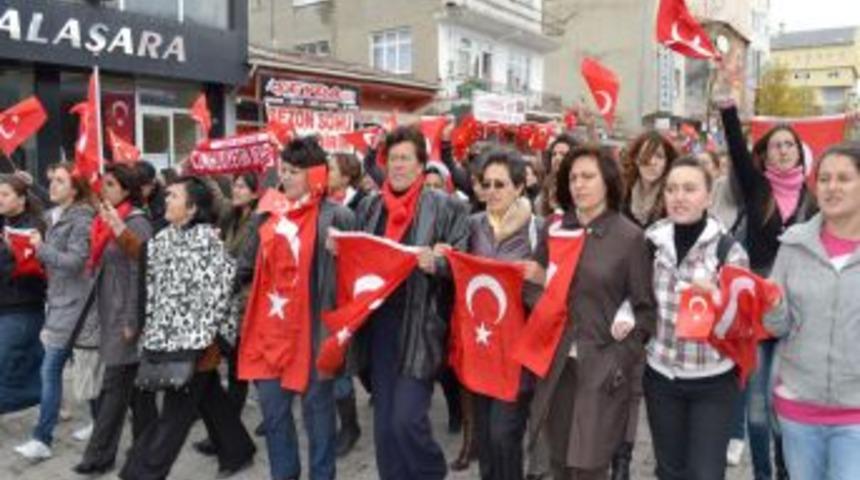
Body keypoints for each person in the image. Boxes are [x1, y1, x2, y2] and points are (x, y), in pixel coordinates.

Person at [525, 146, 656, 480]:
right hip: (557, 366)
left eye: (588, 176)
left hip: (601, 368)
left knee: (590, 466)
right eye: (572, 178)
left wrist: (618, 358)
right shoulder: (555, 231)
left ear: (608, 181)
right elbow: (532, 284)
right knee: (557, 461)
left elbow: (645, 312)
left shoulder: (630, 238)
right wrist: (545, 300)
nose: (579, 185)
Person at [116, 175, 256, 479]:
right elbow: (146, 262)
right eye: (167, 196)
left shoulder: (208, 243)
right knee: (210, 400)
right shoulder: (166, 237)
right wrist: (117, 228)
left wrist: (200, 337)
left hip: (197, 345)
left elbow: (221, 293)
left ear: (192, 209)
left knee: (173, 417)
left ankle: (142, 473)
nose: (166, 200)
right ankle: (239, 450)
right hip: (167, 340)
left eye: (174, 197)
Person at [349, 126, 470, 480]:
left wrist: (440, 262)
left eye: (405, 159)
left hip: (422, 326)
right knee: (385, 426)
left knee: (407, 420)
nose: (397, 166)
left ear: (421, 165)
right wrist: (341, 249)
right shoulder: (370, 206)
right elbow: (359, 257)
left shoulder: (446, 207)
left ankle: (431, 472)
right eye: (392, 159)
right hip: (379, 326)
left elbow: (462, 260)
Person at [717, 68, 816, 480]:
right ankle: (763, 474)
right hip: (758, 311)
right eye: (774, 146)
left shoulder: (815, 198)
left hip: (798, 313)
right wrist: (727, 105)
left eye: (788, 145)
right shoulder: (757, 188)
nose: (781, 151)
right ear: (766, 154)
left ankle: (786, 471)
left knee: (785, 406)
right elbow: (737, 149)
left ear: (799, 151)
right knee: (756, 408)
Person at [237, 136, 355, 480]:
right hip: (267, 335)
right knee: (274, 420)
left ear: (315, 175)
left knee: (319, 424)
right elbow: (244, 264)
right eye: (282, 169)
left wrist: (342, 254)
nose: (284, 177)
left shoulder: (338, 216)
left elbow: (355, 278)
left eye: (294, 171)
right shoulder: (268, 212)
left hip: (313, 337)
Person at [643, 156, 749, 480]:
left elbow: (743, 322)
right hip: (661, 377)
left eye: (690, 189)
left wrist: (718, 298)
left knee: (706, 473)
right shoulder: (651, 242)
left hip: (713, 382)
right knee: (669, 471)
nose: (679, 197)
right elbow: (636, 298)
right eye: (672, 189)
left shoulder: (728, 251)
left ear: (707, 196)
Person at [765, 142, 860, 480]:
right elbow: (777, 327)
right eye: (824, 179)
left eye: (844, 179)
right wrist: (773, 307)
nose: (832, 187)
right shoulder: (793, 244)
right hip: (798, 408)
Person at [466, 148, 543, 480]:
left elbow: (551, 292)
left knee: (504, 435)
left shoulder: (539, 230)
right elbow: (453, 270)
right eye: (487, 184)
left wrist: (534, 280)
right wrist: (439, 257)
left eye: (501, 184)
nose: (492, 191)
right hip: (481, 349)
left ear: (519, 188)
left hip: (517, 354)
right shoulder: (472, 226)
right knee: (485, 438)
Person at [75, 164, 156, 475]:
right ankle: (143, 452)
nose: (102, 189)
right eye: (102, 183)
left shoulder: (136, 224)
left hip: (125, 318)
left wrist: (134, 320)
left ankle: (99, 456)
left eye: (110, 184)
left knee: (115, 389)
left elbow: (142, 274)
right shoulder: (108, 220)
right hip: (111, 313)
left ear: (126, 190)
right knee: (137, 395)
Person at [609, 130, 679, 480]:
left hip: (657, 299)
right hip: (618, 293)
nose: (653, 163)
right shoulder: (620, 194)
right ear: (635, 158)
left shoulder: (672, 199)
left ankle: (627, 457)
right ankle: (615, 452)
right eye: (647, 156)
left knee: (638, 382)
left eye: (660, 157)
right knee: (619, 378)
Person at [13, 163, 94, 460]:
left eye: (60, 181)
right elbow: (38, 212)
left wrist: (42, 249)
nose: (54, 186)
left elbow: (75, 262)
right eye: (53, 180)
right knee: (83, 366)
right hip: (58, 302)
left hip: (76, 304)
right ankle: (98, 420)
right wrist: (28, 186)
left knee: (52, 369)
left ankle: (42, 439)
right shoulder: (53, 214)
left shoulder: (82, 218)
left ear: (75, 188)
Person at [193, 172, 261, 457]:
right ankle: (226, 435)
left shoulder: (258, 221)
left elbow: (246, 264)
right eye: (234, 184)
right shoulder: (231, 217)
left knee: (237, 372)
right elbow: (217, 201)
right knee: (231, 369)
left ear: (256, 192)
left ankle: (228, 437)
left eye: (243, 185)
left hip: (244, 304)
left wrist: (220, 276)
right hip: (227, 304)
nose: (236, 189)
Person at [0, 173, 46, 415]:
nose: (0, 199)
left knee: (8, 360)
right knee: (34, 360)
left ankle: (45, 396)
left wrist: (7, 253)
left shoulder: (34, 226)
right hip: (6, 304)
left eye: (5, 194)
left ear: (21, 199)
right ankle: (49, 396)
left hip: (22, 306)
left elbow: (28, 269)